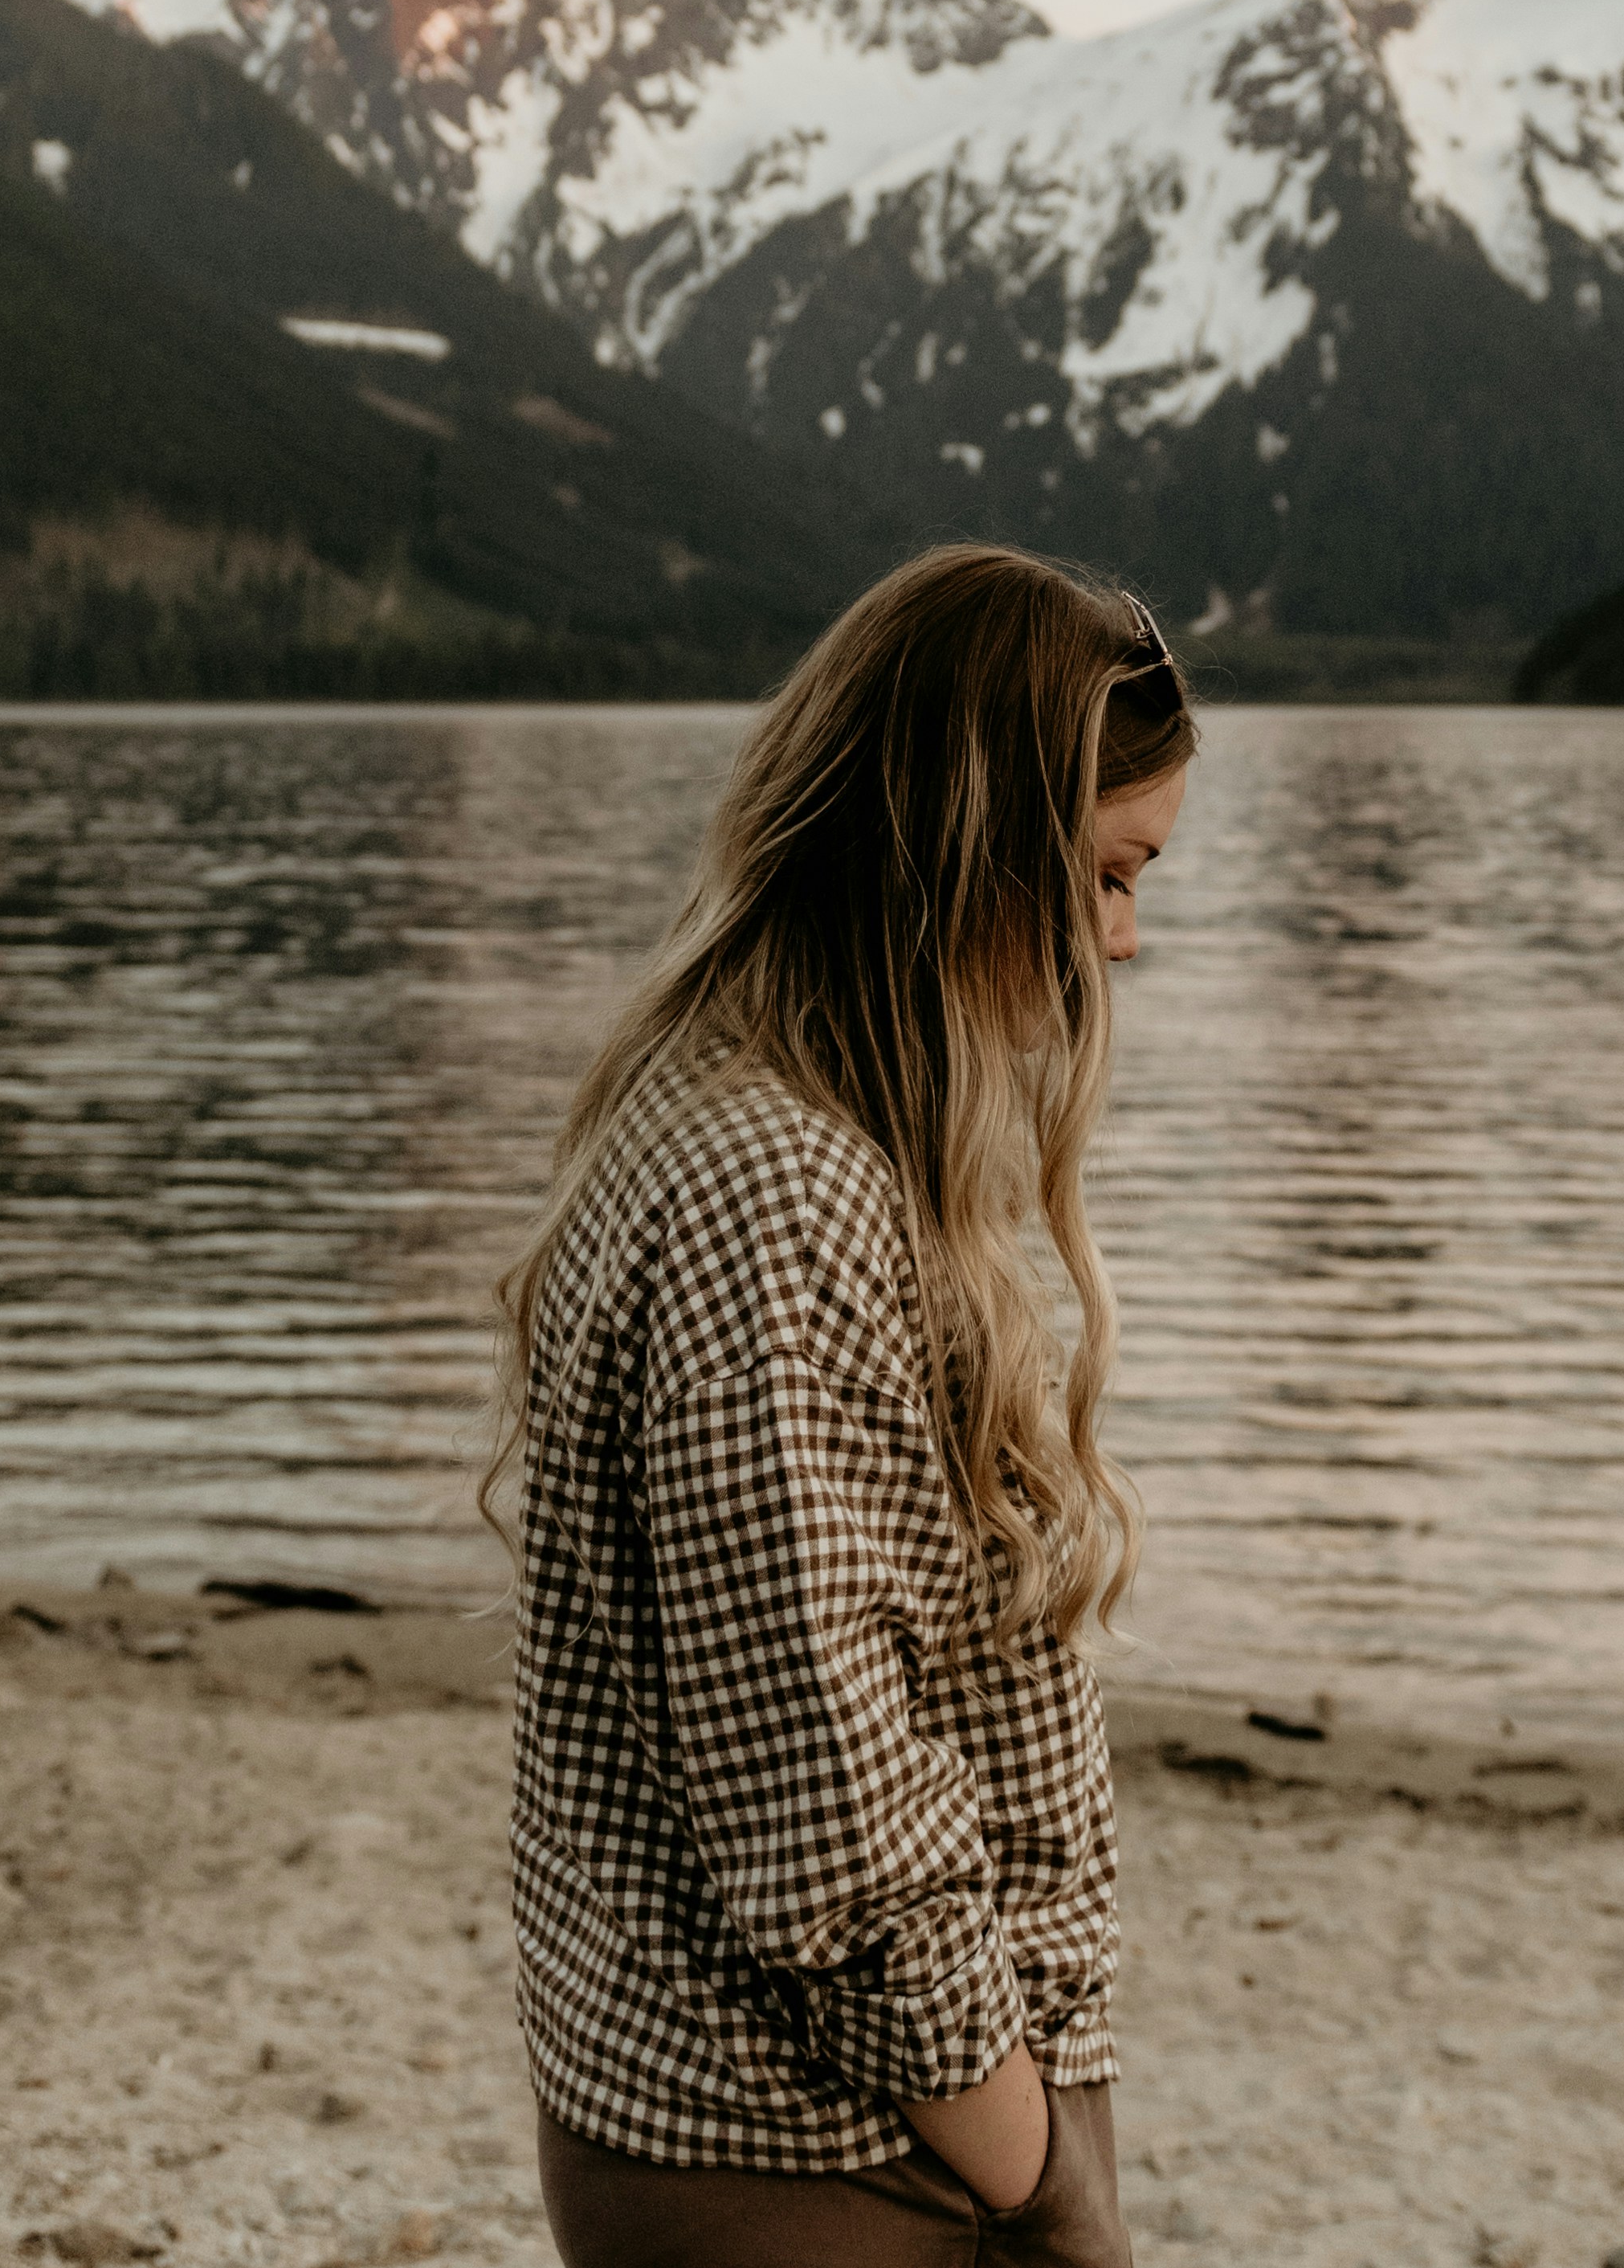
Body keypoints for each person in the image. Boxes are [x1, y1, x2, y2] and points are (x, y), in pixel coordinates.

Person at [487, 544, 1196, 2265]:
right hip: (812, 2154)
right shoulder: (777, 1194)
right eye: (1105, 874)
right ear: (970, 846)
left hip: (860, 2123)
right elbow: (826, 1812)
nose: (1123, 938)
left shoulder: (788, 1129)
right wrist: (1041, 2175)